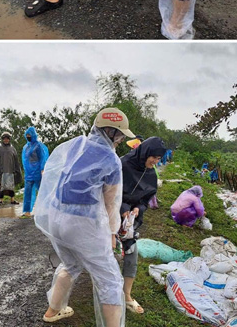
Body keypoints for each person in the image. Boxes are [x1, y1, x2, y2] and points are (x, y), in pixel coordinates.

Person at [36, 107, 134, 326]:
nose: (119, 140)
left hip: (56, 218)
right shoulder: (110, 159)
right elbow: (111, 203)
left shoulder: (75, 145)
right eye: (119, 135)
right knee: (110, 279)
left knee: (70, 264)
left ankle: (53, 311)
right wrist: (111, 233)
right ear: (111, 132)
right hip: (83, 225)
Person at [119, 136, 167, 315]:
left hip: (129, 221)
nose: (155, 161)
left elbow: (146, 200)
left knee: (132, 253)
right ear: (145, 152)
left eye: (159, 159)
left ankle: (127, 296)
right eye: (153, 156)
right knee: (105, 255)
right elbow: (107, 190)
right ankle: (104, 293)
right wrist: (122, 207)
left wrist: (138, 208)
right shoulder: (122, 164)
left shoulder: (151, 174)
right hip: (109, 215)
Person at [21, 126, 49, 218]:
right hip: (29, 172)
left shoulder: (38, 145)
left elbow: (43, 158)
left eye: (30, 135)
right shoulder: (26, 147)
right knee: (28, 191)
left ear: (33, 135)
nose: (28, 136)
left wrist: (42, 168)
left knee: (42, 191)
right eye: (27, 135)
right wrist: (26, 170)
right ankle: (27, 211)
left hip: (37, 171)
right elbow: (24, 160)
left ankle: (47, 210)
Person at [0, 132, 22, 204]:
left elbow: (16, 160)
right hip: (1, 171)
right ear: (2, 139)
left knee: (11, 186)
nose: (6, 140)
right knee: (0, 186)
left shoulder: (13, 149)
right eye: (4, 139)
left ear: (9, 139)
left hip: (11, 171)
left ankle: (12, 200)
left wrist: (17, 170)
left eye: (7, 139)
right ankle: (1, 200)